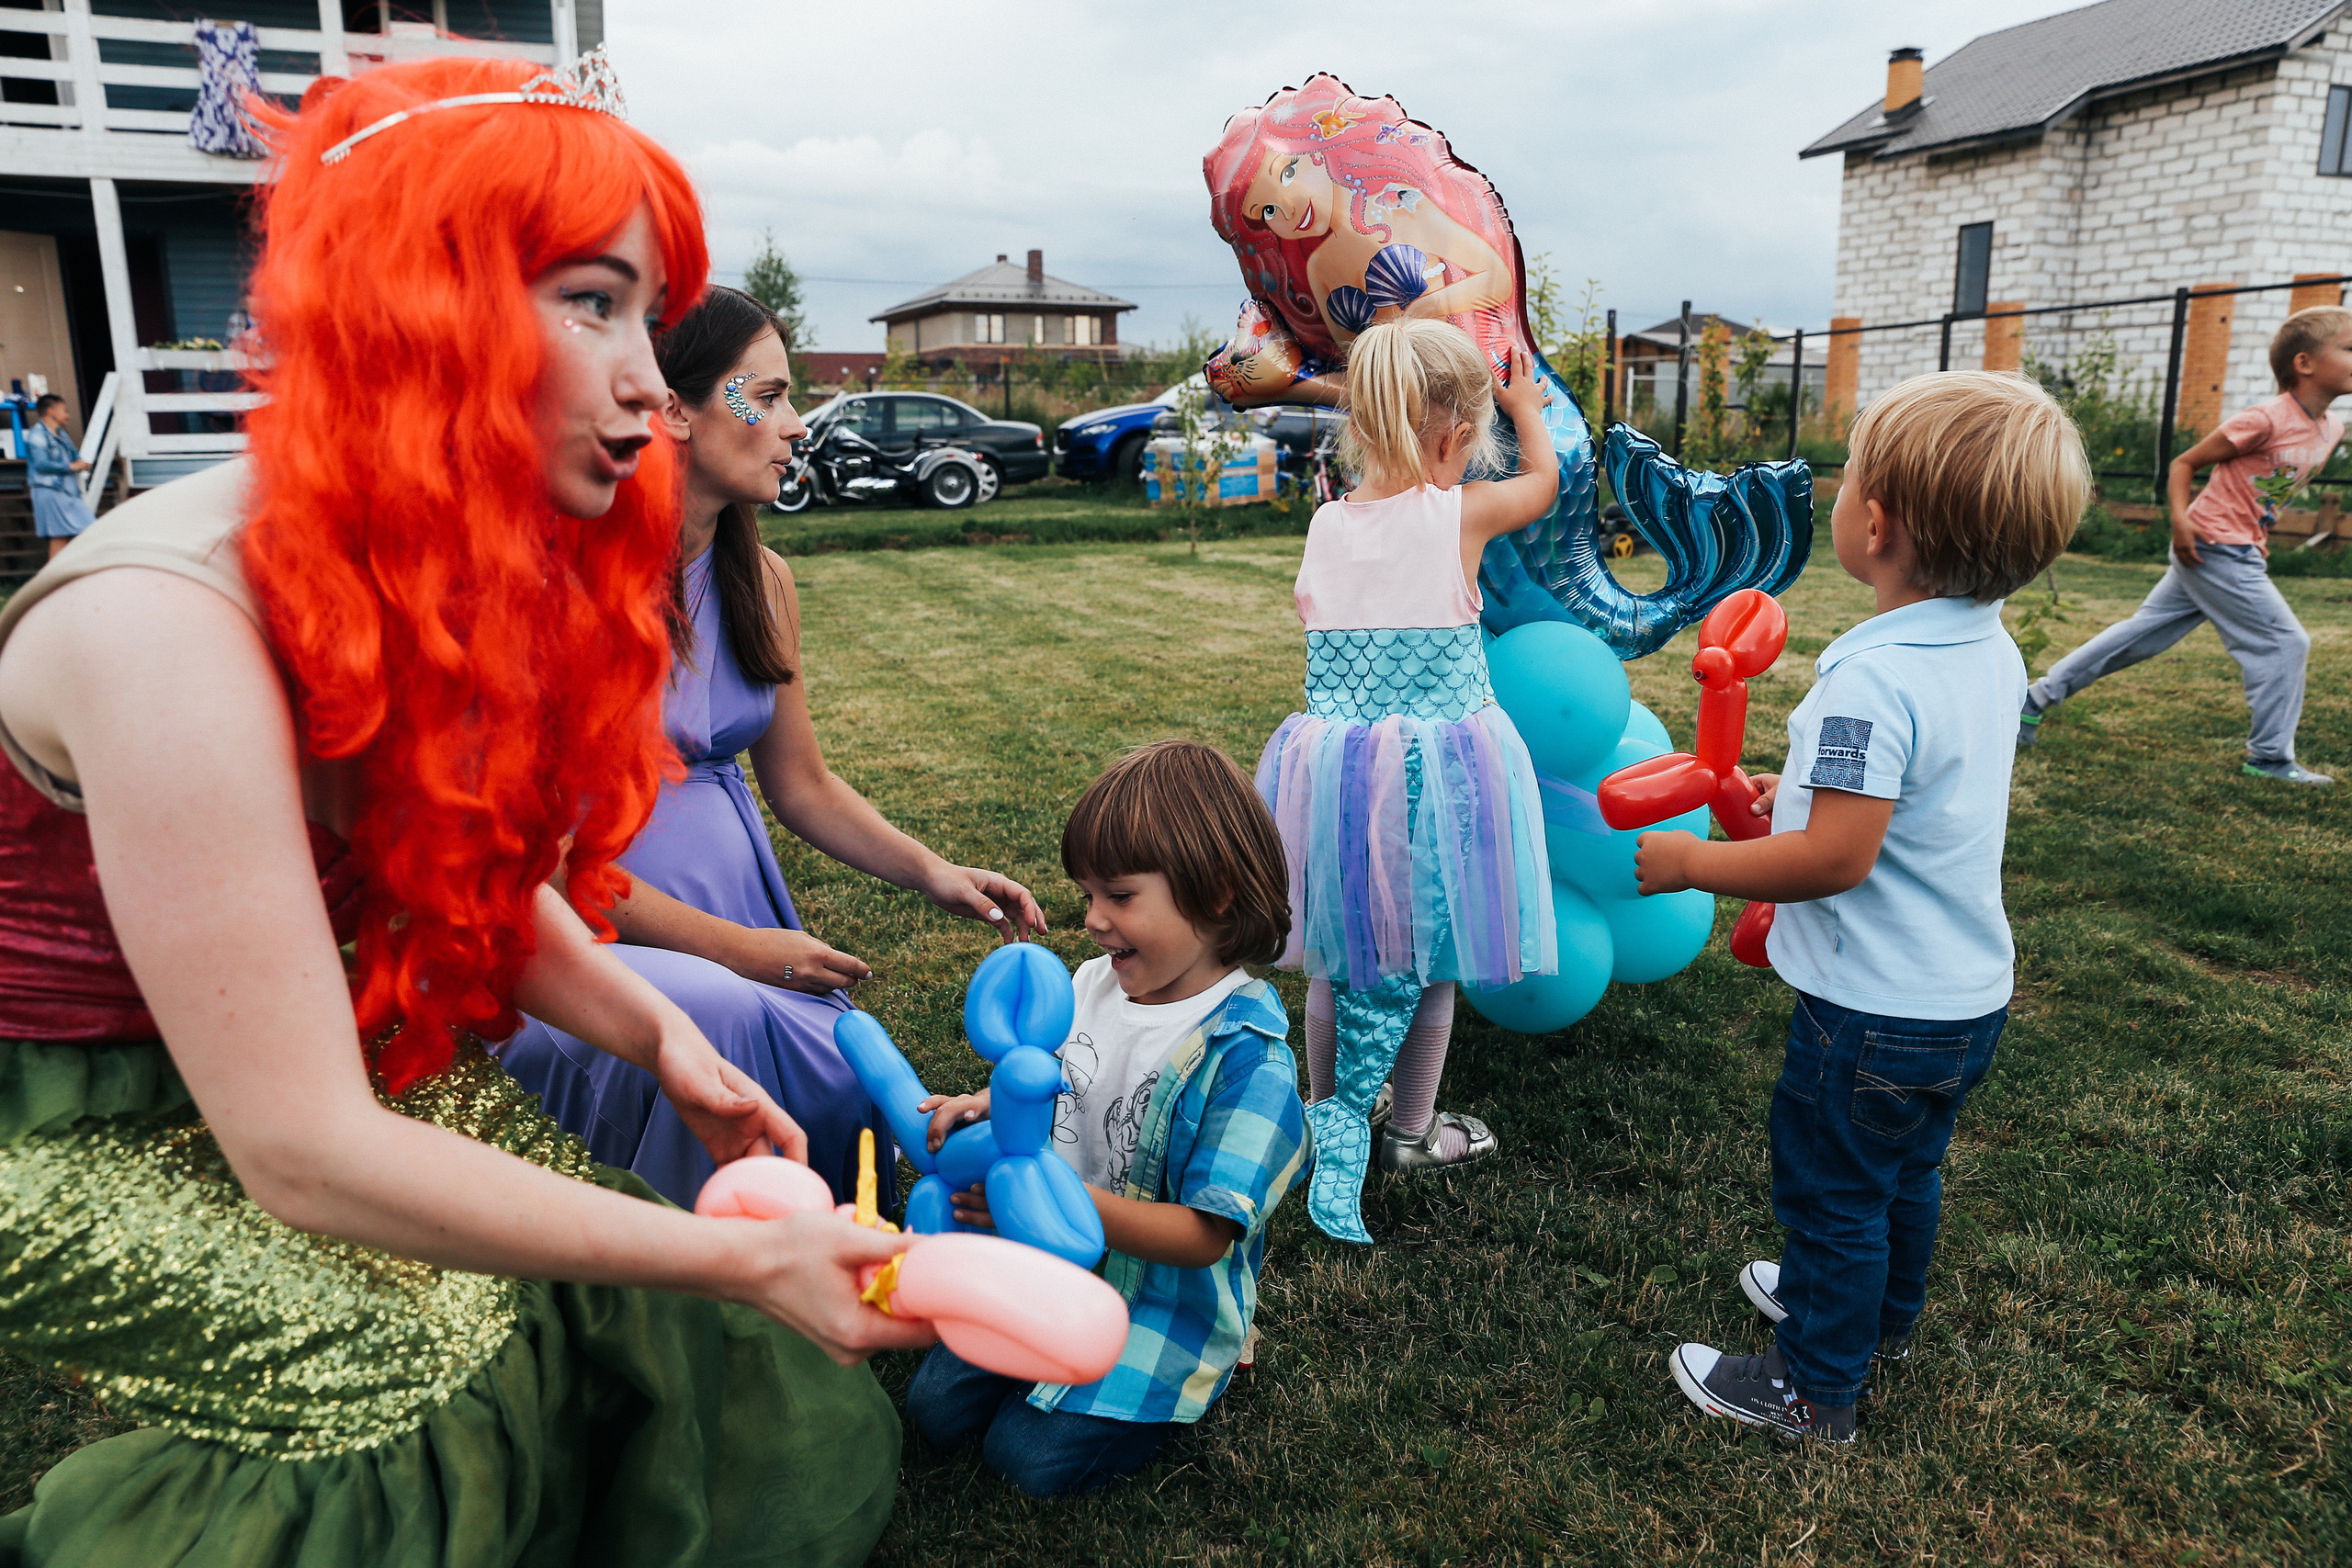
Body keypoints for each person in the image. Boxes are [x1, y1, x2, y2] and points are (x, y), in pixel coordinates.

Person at [0, 55, 931, 1562]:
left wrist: (657, 1031)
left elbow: (452, 874)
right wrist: (732, 1256)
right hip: (79, 1118)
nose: (650, 380)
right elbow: (303, 1151)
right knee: (396, 1383)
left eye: (649, 314)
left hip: (303, 1048)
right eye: (593, 301)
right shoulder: (162, 628)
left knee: (559, 1268)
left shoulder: (418, 558)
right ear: (416, 304)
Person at [494, 284, 1043, 1210]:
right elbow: (550, 870)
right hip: (596, 931)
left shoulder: (765, 580)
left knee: (838, 1070)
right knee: (727, 1020)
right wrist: (740, 952)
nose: (794, 426)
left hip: (743, 909)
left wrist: (932, 871)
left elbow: (803, 786)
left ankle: (809, 1254)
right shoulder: (564, 589)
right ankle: (703, 1274)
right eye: (768, 395)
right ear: (673, 408)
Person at [1634, 370, 2087, 1443]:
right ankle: (1879, 1316)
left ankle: (1813, 1387)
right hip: (1961, 997)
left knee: (1834, 1192)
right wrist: (1777, 799)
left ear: (1874, 525)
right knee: (1903, 1174)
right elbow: (1900, 800)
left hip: (1871, 1012)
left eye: (1846, 480)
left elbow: (1837, 855)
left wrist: (1696, 865)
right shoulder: (1987, 644)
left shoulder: (1870, 679)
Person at [903, 740, 1305, 1497]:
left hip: (1153, 1299)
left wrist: (1063, 1202)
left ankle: (1218, 1362)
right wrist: (985, 1105)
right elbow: (1058, 1080)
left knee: (1024, 1459)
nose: (1091, 920)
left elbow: (1203, 1233)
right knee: (934, 1413)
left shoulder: (1248, 1057)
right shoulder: (1093, 985)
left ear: (1215, 892)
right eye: (1087, 894)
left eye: (1118, 897)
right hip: (1046, 1267)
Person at [1254, 318, 1557, 1246]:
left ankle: (1322, 1112)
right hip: (1435, 776)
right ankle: (1410, 1134)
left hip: (1336, 777)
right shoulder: (1460, 511)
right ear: (1453, 436)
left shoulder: (1325, 522)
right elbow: (1543, 486)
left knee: (1334, 950)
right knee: (1433, 952)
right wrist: (1529, 410)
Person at [2018, 305, 2352, 784]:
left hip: (2236, 545)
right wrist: (2180, 523)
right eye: (2349, 348)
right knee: (2285, 642)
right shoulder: (2264, 419)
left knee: (2141, 635)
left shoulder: (2331, 428)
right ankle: (2271, 758)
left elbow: (2262, 489)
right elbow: (2184, 463)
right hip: (2213, 544)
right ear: (2305, 364)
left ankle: (2034, 699)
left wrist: (2256, 533)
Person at [23, 392, 97, 559]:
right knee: (59, 537)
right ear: (51, 412)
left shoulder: (61, 434)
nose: (68, 415)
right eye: (64, 410)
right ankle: (54, 580)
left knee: (90, 528)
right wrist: (72, 466)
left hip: (68, 492)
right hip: (49, 491)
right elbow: (41, 465)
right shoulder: (37, 435)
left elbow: (73, 454)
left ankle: (70, 575)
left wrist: (80, 462)